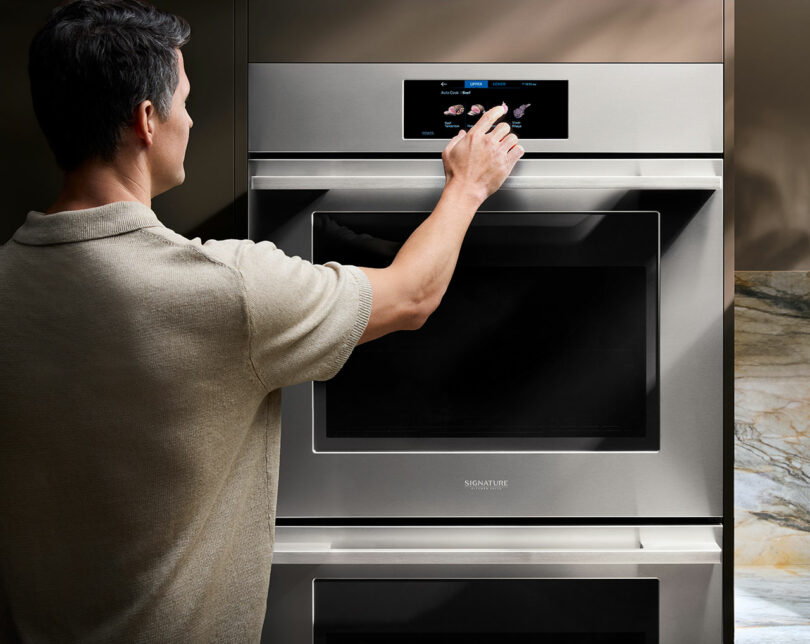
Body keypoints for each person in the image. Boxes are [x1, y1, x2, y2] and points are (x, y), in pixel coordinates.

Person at [0, 0, 523, 641]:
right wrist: (467, 186)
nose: (190, 120)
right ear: (146, 119)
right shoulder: (227, 290)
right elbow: (412, 297)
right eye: (185, 101)